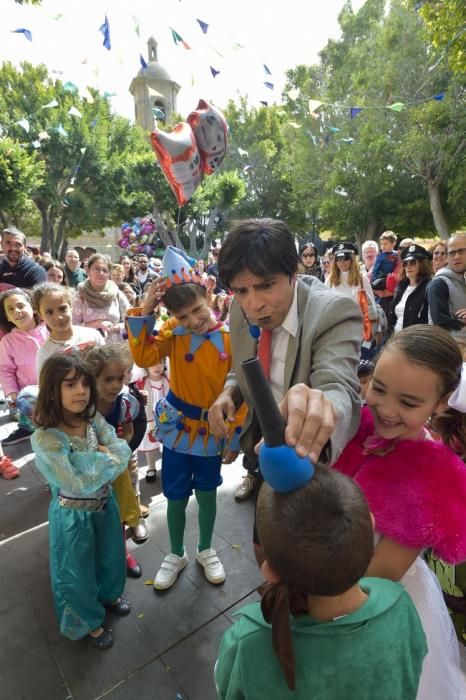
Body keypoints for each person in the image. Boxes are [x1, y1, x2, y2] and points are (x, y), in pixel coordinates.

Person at [332, 324, 466, 699]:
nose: (387, 410)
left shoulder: (432, 479)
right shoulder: (357, 425)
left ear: (441, 403)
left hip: (370, 603)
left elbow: (380, 576)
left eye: (408, 403)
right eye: (378, 388)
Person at [215, 466, 427, 699]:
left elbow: (228, 689)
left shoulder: (247, 640)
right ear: (371, 524)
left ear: (270, 571)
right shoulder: (400, 606)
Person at [209, 219, 361, 507]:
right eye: (241, 291)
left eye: (266, 285)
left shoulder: (333, 312)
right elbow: (243, 362)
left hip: (306, 462)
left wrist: (320, 409)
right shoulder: (240, 307)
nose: (254, 304)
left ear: (293, 273)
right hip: (260, 449)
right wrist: (231, 391)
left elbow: (338, 386)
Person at [126, 246, 245, 590]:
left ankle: (205, 549)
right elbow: (143, 352)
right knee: (175, 495)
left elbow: (240, 390)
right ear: (174, 318)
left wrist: (234, 437)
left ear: (208, 295)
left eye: (197, 310)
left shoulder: (228, 338)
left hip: (213, 431)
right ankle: (175, 552)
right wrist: (146, 309)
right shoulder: (171, 335)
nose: (194, 320)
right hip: (178, 431)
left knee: (207, 494)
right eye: (184, 317)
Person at [31, 352, 131, 648]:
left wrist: (103, 455)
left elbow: (120, 449)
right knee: (76, 571)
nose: (81, 392)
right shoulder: (48, 438)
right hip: (72, 517)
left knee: (111, 554)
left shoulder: (91, 419)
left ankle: (109, 594)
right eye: (70, 385)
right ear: (52, 391)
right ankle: (87, 621)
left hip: (104, 505)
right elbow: (73, 479)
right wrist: (103, 454)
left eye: (85, 384)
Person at [84, 343, 148, 578]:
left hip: (115, 466)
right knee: (94, 514)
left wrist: (122, 452)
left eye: (120, 378)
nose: (115, 385)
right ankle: (98, 557)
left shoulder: (125, 402)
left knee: (118, 511)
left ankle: (121, 552)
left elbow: (129, 431)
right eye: (108, 379)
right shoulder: (83, 405)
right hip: (89, 469)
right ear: (93, 378)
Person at [0, 288, 48, 445]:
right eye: (11, 309)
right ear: (7, 316)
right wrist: (12, 392)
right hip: (30, 393)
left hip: (57, 386)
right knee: (28, 402)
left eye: (21, 305)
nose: (17, 311)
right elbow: (5, 370)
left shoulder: (49, 329)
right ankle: (26, 428)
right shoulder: (8, 342)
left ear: (33, 307)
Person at [33, 283, 104, 376]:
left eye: (62, 309)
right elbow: (45, 388)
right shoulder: (45, 353)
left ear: (71, 306)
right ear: (40, 315)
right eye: (49, 312)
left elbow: (107, 367)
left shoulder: (93, 335)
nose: (58, 317)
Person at [325, 242, 378, 346]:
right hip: (336, 330)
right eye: (338, 259)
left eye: (345, 258)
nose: (342, 262)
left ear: (352, 259)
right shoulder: (330, 280)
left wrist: (373, 334)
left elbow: (372, 307)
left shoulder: (362, 279)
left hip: (358, 330)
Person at [72, 254, 130, 343]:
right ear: (88, 271)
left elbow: (131, 321)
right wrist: (97, 324)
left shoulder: (117, 294)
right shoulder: (80, 296)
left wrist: (116, 327)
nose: (101, 273)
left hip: (116, 349)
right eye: (97, 269)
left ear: (109, 274)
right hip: (89, 351)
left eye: (105, 270)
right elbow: (73, 328)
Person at [135, 361, 170, 483]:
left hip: (166, 418)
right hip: (150, 418)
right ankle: (151, 467)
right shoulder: (142, 382)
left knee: (167, 444)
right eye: (152, 363)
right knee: (150, 443)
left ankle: (167, 466)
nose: (157, 366)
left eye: (160, 362)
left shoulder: (167, 380)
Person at [427, 231, 466, 340]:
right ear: (447, 258)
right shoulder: (440, 283)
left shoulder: (462, 279)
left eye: (462, 251)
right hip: (453, 349)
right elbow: (440, 321)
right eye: (452, 253)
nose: (457, 256)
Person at [387, 244, 433, 334]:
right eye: (405, 263)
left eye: (413, 262)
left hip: (415, 343)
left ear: (423, 264)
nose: (408, 266)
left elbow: (431, 322)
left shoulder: (429, 287)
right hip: (395, 340)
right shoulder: (401, 287)